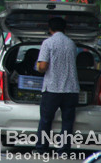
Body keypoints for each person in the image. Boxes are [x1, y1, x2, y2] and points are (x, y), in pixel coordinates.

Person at [34, 17, 79, 155]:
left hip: (53, 88)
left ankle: (42, 148)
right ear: (64, 29)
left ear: (50, 29)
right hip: (71, 89)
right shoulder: (71, 44)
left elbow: (43, 66)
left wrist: (38, 67)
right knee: (67, 121)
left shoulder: (48, 43)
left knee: (46, 119)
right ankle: (64, 149)